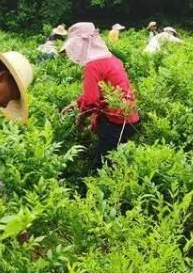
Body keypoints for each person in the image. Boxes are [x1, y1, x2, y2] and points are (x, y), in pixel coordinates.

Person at [60, 23, 140, 169]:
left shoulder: (93, 65)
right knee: (118, 163)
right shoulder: (111, 59)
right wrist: (75, 105)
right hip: (129, 118)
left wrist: (80, 119)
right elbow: (98, 94)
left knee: (102, 167)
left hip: (115, 122)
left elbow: (91, 101)